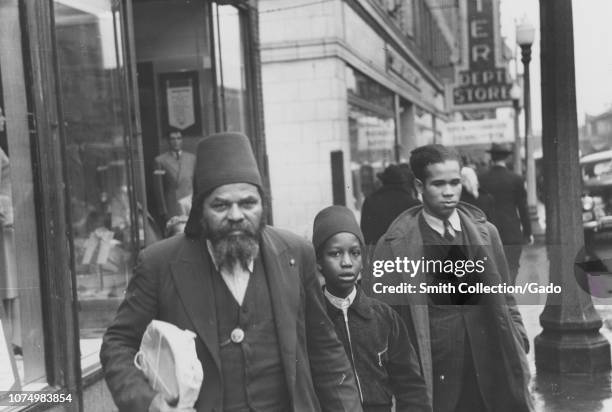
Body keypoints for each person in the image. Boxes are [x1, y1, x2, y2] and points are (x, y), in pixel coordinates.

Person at [101, 132, 362, 412]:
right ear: (201, 210)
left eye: (248, 203)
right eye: (221, 205)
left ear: (263, 206)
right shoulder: (159, 263)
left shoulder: (296, 254)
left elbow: (326, 353)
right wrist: (149, 403)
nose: (236, 215)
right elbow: (118, 344)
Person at [369, 144, 533, 412]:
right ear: (419, 186)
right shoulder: (394, 244)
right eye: (438, 184)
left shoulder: (486, 233)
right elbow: (385, 320)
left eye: (455, 182)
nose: (449, 192)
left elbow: (505, 294)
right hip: (434, 374)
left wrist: (519, 336)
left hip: (489, 371)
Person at [312, 205, 430, 412]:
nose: (347, 262)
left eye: (355, 253)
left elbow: (411, 386)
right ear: (319, 261)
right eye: (335, 253)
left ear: (364, 259)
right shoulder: (312, 320)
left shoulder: (384, 318)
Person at [479, 143, 532, 284]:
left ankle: (499, 301)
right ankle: (508, 297)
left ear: (492, 157)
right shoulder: (516, 179)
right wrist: (528, 232)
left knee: (492, 269)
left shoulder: (481, 178)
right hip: (512, 232)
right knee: (512, 267)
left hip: (487, 232)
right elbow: (523, 208)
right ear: (507, 158)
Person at [360, 164, 420, 246]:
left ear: (383, 182)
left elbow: (365, 235)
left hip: (378, 254)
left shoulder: (370, 201)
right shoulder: (414, 204)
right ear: (402, 182)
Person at [153, 130, 196, 226]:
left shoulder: (191, 158)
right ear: (168, 141)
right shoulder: (160, 161)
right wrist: (163, 210)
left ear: (182, 140)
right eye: (172, 139)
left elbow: (195, 182)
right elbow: (158, 188)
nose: (176, 141)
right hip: (173, 205)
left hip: (189, 203)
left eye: (179, 138)